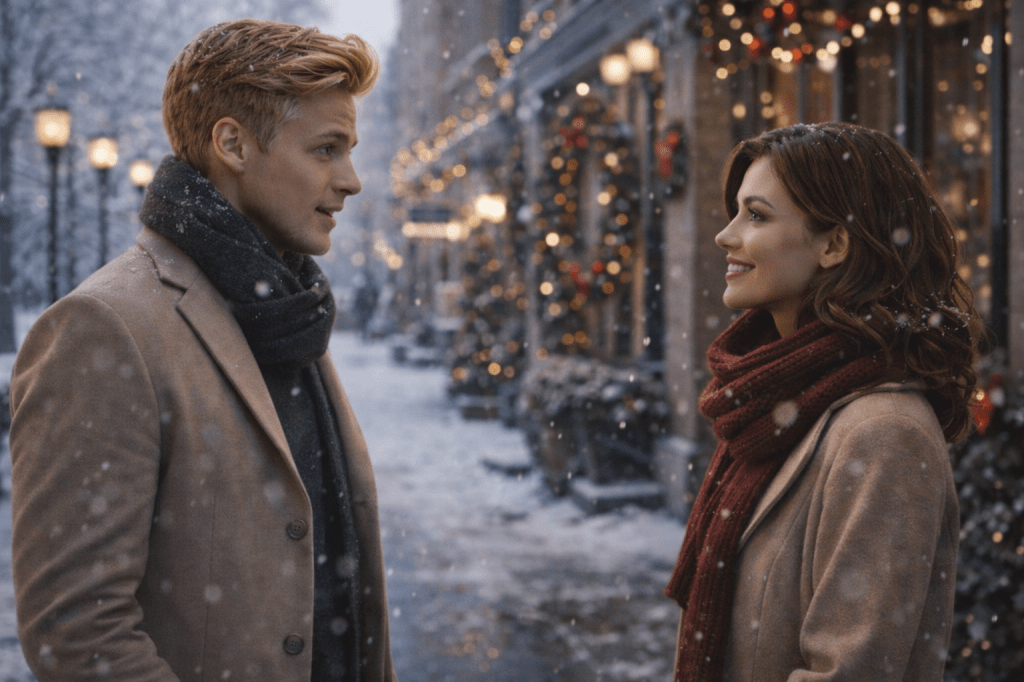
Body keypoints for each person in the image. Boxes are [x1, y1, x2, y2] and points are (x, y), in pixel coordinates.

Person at [10, 19, 396, 682]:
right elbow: (77, 633)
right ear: (232, 144)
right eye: (327, 149)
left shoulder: (286, 308)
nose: (352, 180)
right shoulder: (104, 326)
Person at [664, 122, 982, 681]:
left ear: (835, 244)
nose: (725, 235)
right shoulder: (772, 406)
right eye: (736, 212)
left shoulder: (883, 433)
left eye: (756, 215)